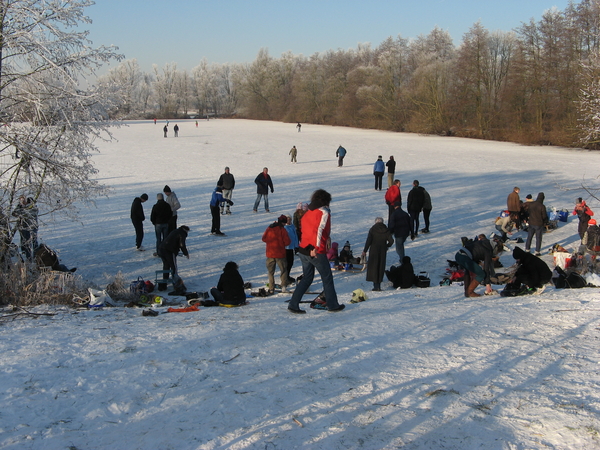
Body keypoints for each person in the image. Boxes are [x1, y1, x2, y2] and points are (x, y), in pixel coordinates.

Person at [288, 189, 345, 313]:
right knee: (327, 277)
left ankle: (293, 304)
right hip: (315, 250)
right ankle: (333, 305)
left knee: (307, 278)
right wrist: (316, 248)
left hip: (303, 248)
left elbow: (305, 230)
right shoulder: (323, 212)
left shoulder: (307, 212)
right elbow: (318, 230)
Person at [361, 217, 394, 291]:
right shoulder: (386, 230)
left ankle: (375, 286)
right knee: (380, 266)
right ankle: (378, 285)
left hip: (373, 250)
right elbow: (391, 241)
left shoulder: (373, 229)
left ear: (375, 222)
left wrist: (365, 251)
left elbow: (368, 240)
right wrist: (386, 246)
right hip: (382, 251)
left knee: (374, 267)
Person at [262, 214, 291, 294]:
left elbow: (264, 238)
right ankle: (284, 286)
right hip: (280, 254)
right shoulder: (282, 230)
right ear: (283, 223)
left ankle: (271, 288)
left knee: (271, 272)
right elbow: (287, 242)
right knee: (283, 270)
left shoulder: (269, 228)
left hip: (270, 254)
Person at [12, 196, 39, 261]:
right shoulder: (20, 207)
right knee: (25, 242)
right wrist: (19, 206)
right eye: (21, 201)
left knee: (33, 242)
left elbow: (27, 214)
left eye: (23, 201)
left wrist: (21, 211)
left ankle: (36, 256)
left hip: (32, 227)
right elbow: (14, 213)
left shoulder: (32, 207)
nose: (23, 202)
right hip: (23, 227)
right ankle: (27, 256)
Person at [284, 215, 299, 283]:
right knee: (287, 263)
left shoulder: (292, 226)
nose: (289, 221)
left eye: (290, 219)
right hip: (286, 247)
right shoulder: (284, 227)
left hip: (292, 247)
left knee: (291, 262)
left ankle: (287, 275)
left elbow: (295, 236)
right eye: (287, 219)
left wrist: (296, 245)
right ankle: (285, 277)